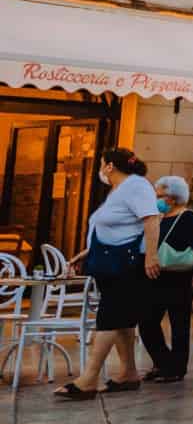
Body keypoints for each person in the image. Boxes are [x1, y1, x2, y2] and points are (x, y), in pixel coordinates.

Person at [54, 148, 160, 399]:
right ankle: (128, 373)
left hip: (126, 264)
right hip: (110, 261)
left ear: (110, 166)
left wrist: (151, 255)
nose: (100, 169)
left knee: (109, 317)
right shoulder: (118, 191)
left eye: (102, 164)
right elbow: (114, 228)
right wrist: (87, 252)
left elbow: (150, 219)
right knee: (121, 320)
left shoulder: (136, 186)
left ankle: (88, 379)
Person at [137, 174, 193, 384]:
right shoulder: (156, 217)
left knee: (179, 324)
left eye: (159, 195)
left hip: (179, 277)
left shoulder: (189, 218)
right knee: (146, 321)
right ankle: (164, 362)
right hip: (155, 276)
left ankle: (176, 368)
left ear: (172, 198)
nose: (156, 199)